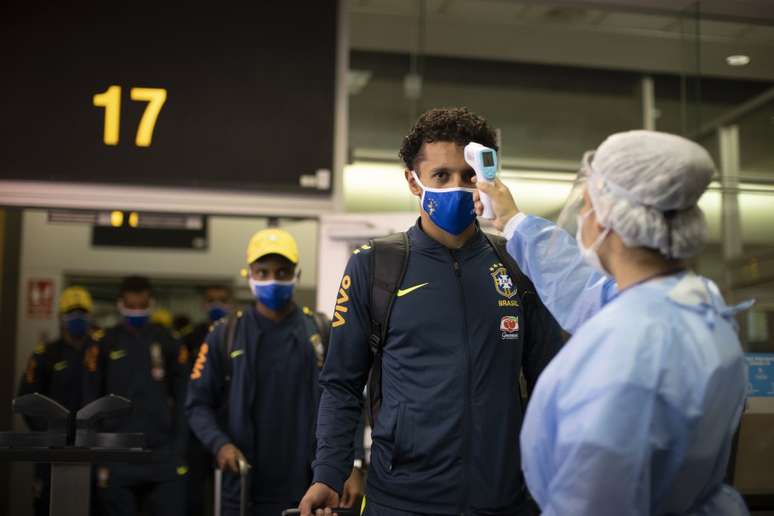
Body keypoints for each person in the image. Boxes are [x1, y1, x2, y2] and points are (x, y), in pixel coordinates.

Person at [300, 107, 563, 516]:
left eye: (468, 176)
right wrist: (328, 474)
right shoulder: (375, 266)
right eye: (441, 175)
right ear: (413, 180)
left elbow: (554, 380)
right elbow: (342, 384)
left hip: (505, 497)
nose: (458, 187)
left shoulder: (517, 262)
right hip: (402, 499)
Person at [475, 130, 751, 515]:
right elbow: (585, 291)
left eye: (587, 203)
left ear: (611, 218)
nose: (584, 216)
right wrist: (513, 221)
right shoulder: (700, 307)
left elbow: (592, 498)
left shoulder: (624, 350)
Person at [186, 228, 365, 516]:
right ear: (249, 275)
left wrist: (352, 464)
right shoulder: (225, 334)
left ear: (297, 273)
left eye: (282, 272)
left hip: (309, 487)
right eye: (263, 272)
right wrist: (219, 444)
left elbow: (349, 398)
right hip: (244, 486)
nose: (273, 280)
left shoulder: (320, 331)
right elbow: (196, 404)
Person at [83, 275, 188, 516]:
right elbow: (90, 402)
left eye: (142, 306)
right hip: (116, 454)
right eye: (131, 306)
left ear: (151, 303)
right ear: (120, 304)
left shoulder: (168, 340)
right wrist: (99, 454)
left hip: (161, 453)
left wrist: (179, 447)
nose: (137, 311)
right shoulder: (103, 343)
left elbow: (184, 398)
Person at [18, 286, 102, 516]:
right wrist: (48, 434)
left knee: (93, 505)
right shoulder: (45, 354)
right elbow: (27, 400)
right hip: (52, 449)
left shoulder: (100, 350)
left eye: (82, 313)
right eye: (71, 312)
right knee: (48, 505)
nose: (78, 318)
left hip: (91, 447)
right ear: (61, 317)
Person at [182, 285, 234, 516]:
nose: (216, 306)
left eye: (222, 300)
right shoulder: (189, 338)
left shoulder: (237, 335)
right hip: (196, 428)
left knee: (229, 494)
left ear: (230, 303)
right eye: (211, 300)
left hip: (230, 428)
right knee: (194, 493)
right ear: (204, 304)